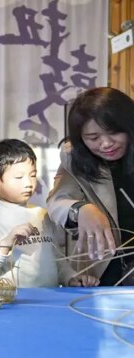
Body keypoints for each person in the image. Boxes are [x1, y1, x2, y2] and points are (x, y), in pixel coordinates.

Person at [0, 139, 98, 287]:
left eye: (32, 175)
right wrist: (6, 243)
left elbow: (56, 257)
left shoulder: (42, 214)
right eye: (19, 177)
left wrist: (71, 277)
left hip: (49, 300)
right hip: (13, 305)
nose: (28, 183)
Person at [47, 87, 134, 285]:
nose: (105, 144)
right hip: (104, 268)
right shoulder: (74, 158)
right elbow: (57, 201)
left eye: (113, 133)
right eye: (93, 138)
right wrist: (81, 210)